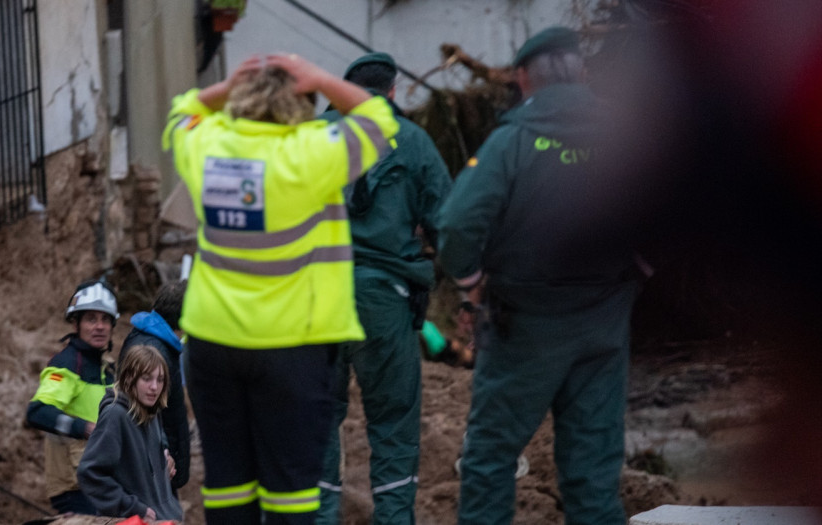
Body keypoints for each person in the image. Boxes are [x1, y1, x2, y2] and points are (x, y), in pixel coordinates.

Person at [162, 53, 399, 525]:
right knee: (290, 491)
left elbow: (182, 112)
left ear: (238, 103)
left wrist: (229, 84)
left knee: (227, 484)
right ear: (303, 106)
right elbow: (378, 118)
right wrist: (323, 76)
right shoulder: (315, 152)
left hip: (213, 342)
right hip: (293, 347)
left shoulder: (209, 146)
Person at [435, 27, 643, 524]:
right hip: (604, 321)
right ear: (583, 72)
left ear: (524, 77)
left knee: (490, 459)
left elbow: (457, 222)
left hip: (522, 323)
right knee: (593, 473)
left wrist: (471, 283)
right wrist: (638, 270)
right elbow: (678, 205)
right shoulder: (627, 132)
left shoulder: (512, 141)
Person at [315, 52, 451, 525]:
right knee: (393, 425)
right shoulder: (414, 142)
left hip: (317, 300)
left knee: (316, 420)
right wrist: (470, 290)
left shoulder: (312, 138)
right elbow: (448, 225)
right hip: (386, 303)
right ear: (392, 91)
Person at [25, 279, 119, 515]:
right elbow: (38, 412)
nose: (99, 326)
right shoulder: (67, 363)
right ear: (76, 324)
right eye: (91, 319)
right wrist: (84, 428)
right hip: (75, 487)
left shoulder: (109, 369)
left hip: (105, 483)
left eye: (105, 319)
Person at [77, 344, 184, 521]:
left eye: (160, 379)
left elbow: (157, 442)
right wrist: (132, 507)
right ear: (129, 378)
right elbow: (89, 472)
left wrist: (164, 454)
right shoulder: (115, 415)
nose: (154, 387)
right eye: (147, 379)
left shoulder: (152, 410)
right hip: (135, 521)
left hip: (167, 518)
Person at [118, 280, 190, 493]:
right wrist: (162, 452)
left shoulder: (157, 343)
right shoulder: (153, 350)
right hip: (153, 471)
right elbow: (139, 410)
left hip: (159, 468)